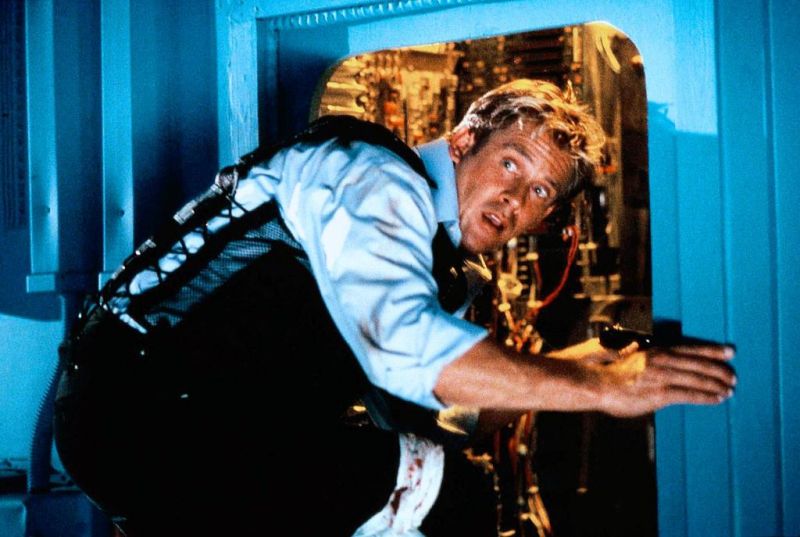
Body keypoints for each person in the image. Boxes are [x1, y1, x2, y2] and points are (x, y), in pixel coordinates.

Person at [53, 79, 735, 536]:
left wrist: (579, 363)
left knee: (427, 478)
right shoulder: (372, 175)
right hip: (138, 415)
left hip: (211, 430)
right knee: (452, 500)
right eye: (511, 164)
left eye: (539, 194)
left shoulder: (440, 268)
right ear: (464, 142)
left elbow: (455, 407)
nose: (514, 199)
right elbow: (405, 348)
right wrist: (597, 387)